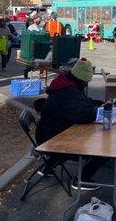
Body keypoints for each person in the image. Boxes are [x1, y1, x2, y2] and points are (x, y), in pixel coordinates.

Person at [36, 58, 106, 189]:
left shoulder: (65, 84)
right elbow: (83, 115)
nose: (85, 85)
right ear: (80, 79)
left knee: (88, 135)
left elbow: (81, 102)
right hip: (53, 139)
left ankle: (48, 166)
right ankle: (83, 179)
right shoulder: (68, 91)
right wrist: (100, 110)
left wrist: (98, 104)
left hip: (47, 133)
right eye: (85, 83)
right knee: (103, 147)